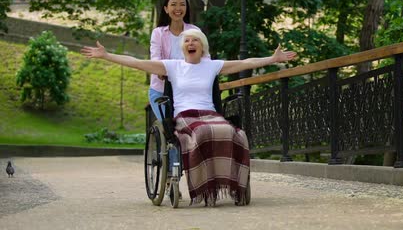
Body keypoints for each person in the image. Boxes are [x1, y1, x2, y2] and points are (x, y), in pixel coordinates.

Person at [81, 29, 297, 206]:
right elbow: (137, 63)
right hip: (185, 116)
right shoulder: (173, 66)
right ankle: (205, 186)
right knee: (202, 132)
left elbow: (245, 63)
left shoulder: (212, 66)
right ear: (182, 47)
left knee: (235, 134)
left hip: (210, 113)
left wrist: (273, 58)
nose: (191, 43)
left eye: (195, 40)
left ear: (202, 47)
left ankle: (234, 186)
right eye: (187, 40)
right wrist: (107, 56)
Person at [149, 0, 200, 121]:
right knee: (170, 128)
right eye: (173, 5)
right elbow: (155, 60)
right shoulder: (158, 33)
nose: (178, 8)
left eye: (182, 5)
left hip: (188, 90)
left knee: (189, 127)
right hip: (161, 91)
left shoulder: (195, 31)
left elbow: (204, 58)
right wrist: (161, 71)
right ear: (166, 9)